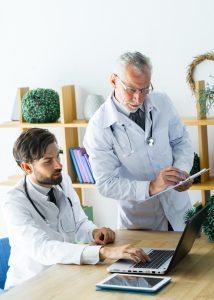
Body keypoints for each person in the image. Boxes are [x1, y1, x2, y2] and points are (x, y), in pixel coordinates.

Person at [3, 128, 150, 289]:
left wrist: (94, 233)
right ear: (27, 167)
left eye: (57, 156)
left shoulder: (61, 179)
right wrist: (103, 252)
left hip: (63, 275)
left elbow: (79, 222)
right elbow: (42, 249)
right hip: (29, 287)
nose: (58, 165)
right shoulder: (14, 202)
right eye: (48, 161)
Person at [83, 51, 194, 231]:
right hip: (141, 222)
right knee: (154, 259)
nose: (139, 98)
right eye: (131, 89)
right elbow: (106, 184)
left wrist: (181, 173)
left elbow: (181, 141)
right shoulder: (99, 127)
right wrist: (151, 187)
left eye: (144, 89)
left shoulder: (162, 102)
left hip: (180, 212)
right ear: (113, 81)